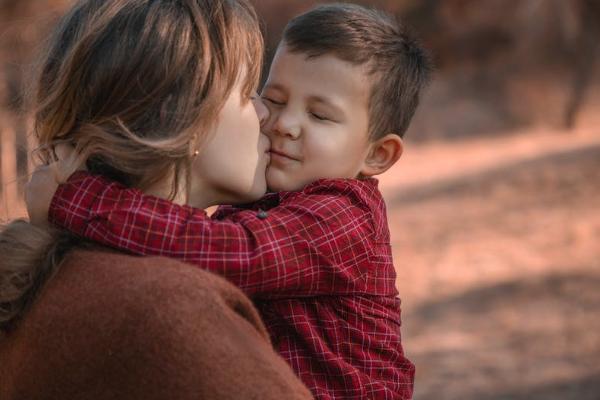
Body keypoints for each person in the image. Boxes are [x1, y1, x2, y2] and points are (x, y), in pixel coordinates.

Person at [27, 3, 432, 399]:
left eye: (320, 116)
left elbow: (228, 252)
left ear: (377, 155)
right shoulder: (263, 204)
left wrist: (77, 198)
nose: (282, 124)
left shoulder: (343, 214)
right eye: (272, 98)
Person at [0, 0, 312, 399]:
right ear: (186, 117)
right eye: (247, 91)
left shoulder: (57, 280)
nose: (267, 113)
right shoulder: (170, 312)